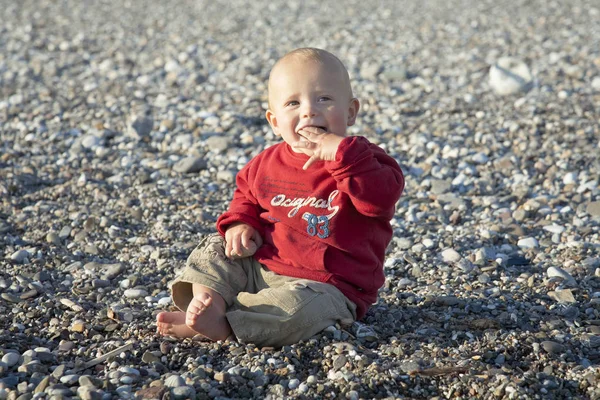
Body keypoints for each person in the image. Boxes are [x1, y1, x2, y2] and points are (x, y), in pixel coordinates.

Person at [156, 48, 404, 347]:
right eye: (293, 103)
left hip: (329, 285)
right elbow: (246, 196)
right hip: (262, 266)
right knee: (217, 246)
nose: (309, 111)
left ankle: (226, 326)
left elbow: (379, 200)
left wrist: (343, 157)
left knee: (298, 311)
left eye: (324, 99)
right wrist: (240, 224)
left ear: (351, 111)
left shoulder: (364, 161)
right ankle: (212, 300)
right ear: (274, 121)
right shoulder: (266, 163)